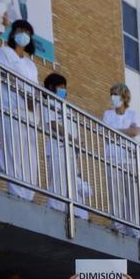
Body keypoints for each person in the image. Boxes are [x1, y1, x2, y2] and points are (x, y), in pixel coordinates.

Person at [0, 18, 41, 202]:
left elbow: (35, 89)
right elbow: (4, 75)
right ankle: (17, 193)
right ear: (13, 33)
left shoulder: (31, 64)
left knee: (30, 158)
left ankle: (28, 195)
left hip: (29, 114)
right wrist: (24, 95)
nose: (24, 36)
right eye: (21, 31)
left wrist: (33, 100)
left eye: (28, 33)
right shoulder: (5, 52)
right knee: (14, 153)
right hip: (11, 110)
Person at [39, 71, 91, 219]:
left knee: (71, 185)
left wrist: (77, 142)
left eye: (65, 87)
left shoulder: (66, 107)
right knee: (58, 183)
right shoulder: (48, 102)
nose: (64, 89)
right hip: (57, 149)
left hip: (70, 152)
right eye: (61, 86)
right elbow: (54, 124)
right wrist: (71, 139)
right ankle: (55, 212)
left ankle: (71, 212)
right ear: (51, 87)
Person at [101, 83, 140, 237]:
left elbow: (135, 131)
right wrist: (126, 131)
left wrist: (116, 132)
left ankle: (136, 231)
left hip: (129, 161)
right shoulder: (107, 114)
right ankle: (118, 227)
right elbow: (105, 133)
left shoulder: (132, 114)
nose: (112, 97)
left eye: (115, 94)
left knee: (132, 196)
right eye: (111, 94)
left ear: (124, 96)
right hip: (112, 160)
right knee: (115, 195)